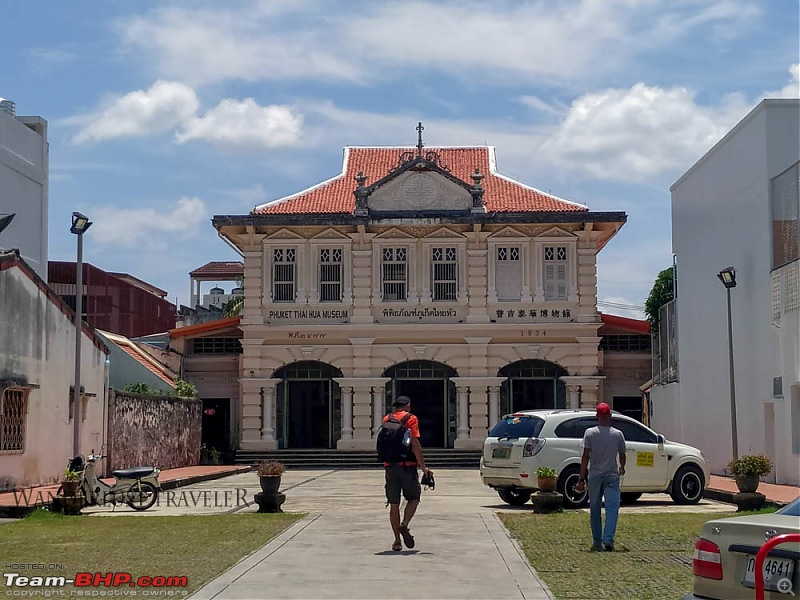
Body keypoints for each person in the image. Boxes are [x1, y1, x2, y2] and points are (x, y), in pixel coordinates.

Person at [382, 396, 431, 552]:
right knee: (414, 498)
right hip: (408, 466)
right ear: (408, 406)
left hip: (389, 466)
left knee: (394, 504)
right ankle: (404, 525)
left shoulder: (386, 419)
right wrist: (423, 467)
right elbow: (414, 443)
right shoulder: (411, 418)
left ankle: (397, 541)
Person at [575, 402, 626, 552]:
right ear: (610, 416)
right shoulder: (617, 434)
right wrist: (622, 467)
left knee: (595, 508)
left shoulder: (590, 433)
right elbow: (622, 455)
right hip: (611, 474)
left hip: (595, 475)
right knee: (612, 508)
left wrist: (581, 478)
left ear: (597, 416)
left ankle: (597, 541)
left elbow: (585, 457)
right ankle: (608, 538)